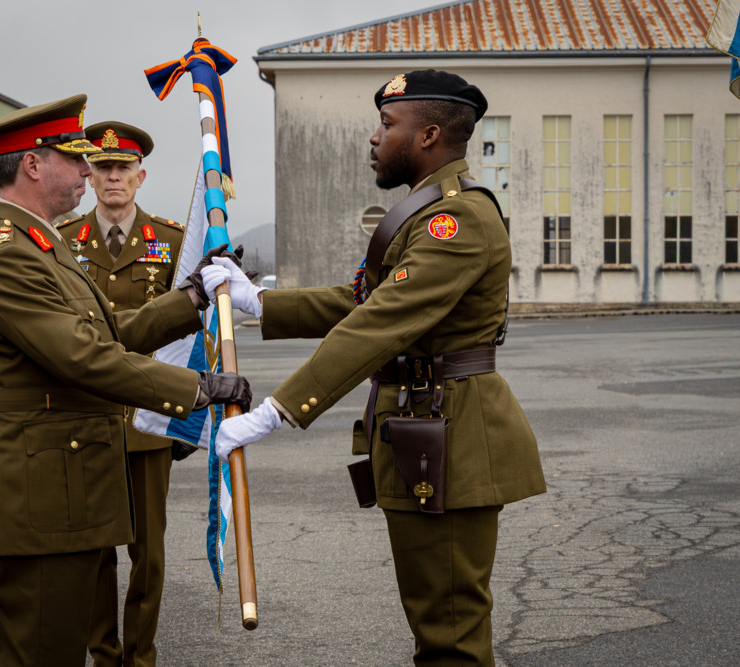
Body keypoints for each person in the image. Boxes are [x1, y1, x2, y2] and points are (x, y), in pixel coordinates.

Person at [206, 70, 547, 664]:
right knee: (433, 621)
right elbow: (361, 301)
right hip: (425, 427)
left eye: (387, 126)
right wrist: (256, 300)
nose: (374, 138)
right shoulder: (423, 215)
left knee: (450, 633)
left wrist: (275, 412)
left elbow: (381, 322)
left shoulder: (455, 219)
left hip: (452, 433)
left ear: (429, 135)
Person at [0, 94, 252, 666]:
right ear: (33, 165)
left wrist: (187, 300)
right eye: (76, 158)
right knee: (43, 650)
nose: (88, 171)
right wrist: (196, 390)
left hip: (62, 477)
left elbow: (109, 329)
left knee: (62, 638)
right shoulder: (11, 256)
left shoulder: (36, 242)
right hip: (42, 483)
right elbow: (86, 358)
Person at [55, 120, 185, 667]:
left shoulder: (174, 241)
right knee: (94, 550)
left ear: (140, 177)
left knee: (148, 554)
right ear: (91, 173)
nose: (112, 177)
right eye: (103, 168)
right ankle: (104, 655)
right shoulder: (62, 242)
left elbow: (193, 331)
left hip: (149, 418)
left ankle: (141, 656)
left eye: (122, 169)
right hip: (89, 416)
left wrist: (191, 413)